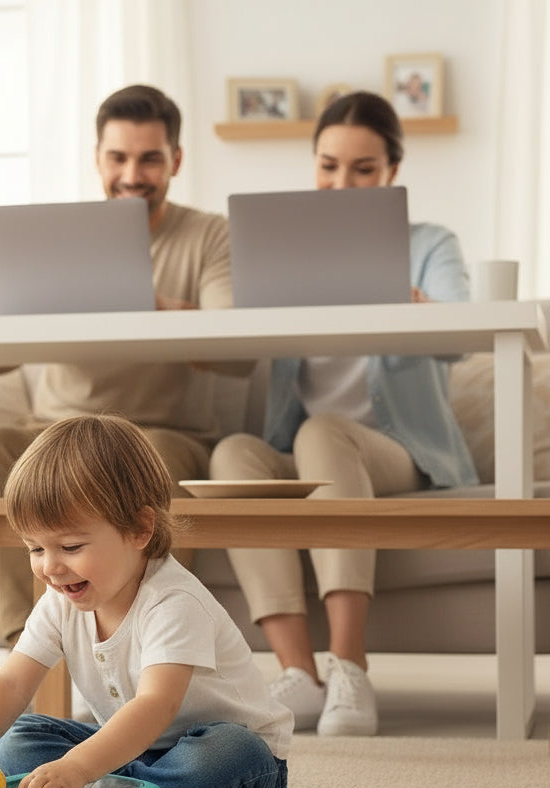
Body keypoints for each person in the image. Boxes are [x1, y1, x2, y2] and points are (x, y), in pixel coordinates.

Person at [208, 90, 477, 738]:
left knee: (323, 433)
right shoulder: (285, 252)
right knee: (232, 456)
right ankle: (299, 674)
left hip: (395, 452)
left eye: (363, 169)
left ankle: (350, 666)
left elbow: (461, 335)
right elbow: (240, 352)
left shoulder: (429, 244)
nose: (342, 183)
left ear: (392, 172)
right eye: (329, 166)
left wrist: (407, 303)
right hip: (302, 449)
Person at [0, 83, 249, 647]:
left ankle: (145, 642)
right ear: (98, 159)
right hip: (55, 431)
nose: (132, 173)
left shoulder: (209, 234)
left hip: (161, 432)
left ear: (176, 161)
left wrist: (140, 300)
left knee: (156, 460)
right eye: (118, 157)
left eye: (149, 158)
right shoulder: (63, 237)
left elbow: (235, 350)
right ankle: (26, 642)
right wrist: (44, 294)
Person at [0, 414, 293, 788]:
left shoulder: (174, 601)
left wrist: (79, 769)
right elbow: (12, 681)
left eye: (70, 547)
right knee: (21, 740)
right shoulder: (61, 602)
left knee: (230, 753)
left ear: (140, 530)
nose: (50, 567)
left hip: (230, 757)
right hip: (129, 752)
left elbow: (156, 704)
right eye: (34, 548)